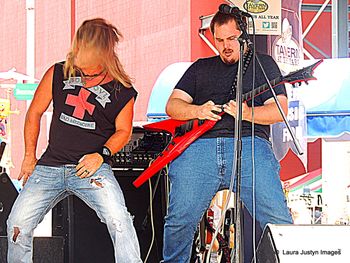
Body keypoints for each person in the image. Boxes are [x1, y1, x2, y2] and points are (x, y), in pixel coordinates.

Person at [7, 18, 142, 263]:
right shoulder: (58, 72)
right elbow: (34, 112)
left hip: (92, 169)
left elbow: (123, 131)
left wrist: (101, 155)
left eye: (85, 49)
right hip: (50, 166)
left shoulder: (122, 90)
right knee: (17, 225)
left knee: (120, 220)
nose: (77, 54)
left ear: (103, 52)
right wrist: (29, 156)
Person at [163, 10, 293, 263]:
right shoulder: (200, 68)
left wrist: (247, 112)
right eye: (219, 40)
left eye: (231, 39)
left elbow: (279, 111)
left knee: (278, 220)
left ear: (244, 36)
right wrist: (197, 110)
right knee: (179, 220)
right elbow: (173, 106)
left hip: (249, 143)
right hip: (201, 146)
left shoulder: (263, 64)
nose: (226, 46)